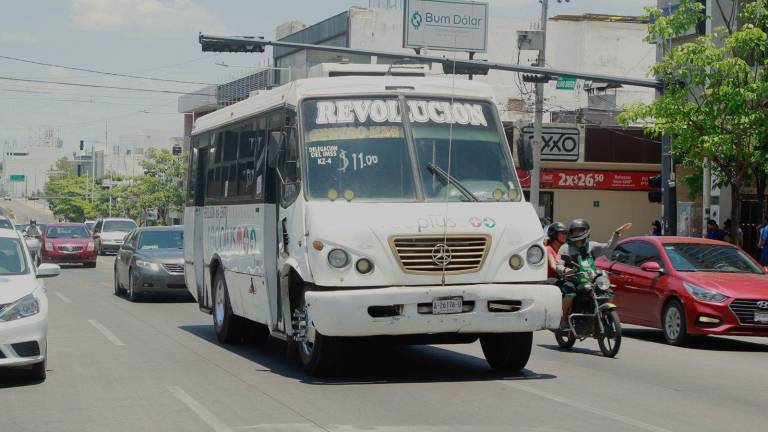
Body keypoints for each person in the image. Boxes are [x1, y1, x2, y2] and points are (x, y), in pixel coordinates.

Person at [557, 219, 633, 330]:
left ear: (586, 231)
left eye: (580, 230)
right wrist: (565, 270)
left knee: (608, 293)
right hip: (572, 278)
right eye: (575, 231)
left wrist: (616, 234)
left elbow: (608, 248)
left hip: (589, 278)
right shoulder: (565, 247)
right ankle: (563, 320)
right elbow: (558, 263)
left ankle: (603, 316)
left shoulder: (592, 245)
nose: (577, 233)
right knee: (570, 294)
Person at [545, 222, 573, 329]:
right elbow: (553, 265)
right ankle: (563, 319)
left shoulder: (566, 249)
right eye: (562, 233)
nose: (565, 235)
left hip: (565, 277)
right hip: (551, 278)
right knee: (570, 291)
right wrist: (564, 270)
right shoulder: (548, 249)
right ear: (554, 234)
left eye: (566, 233)